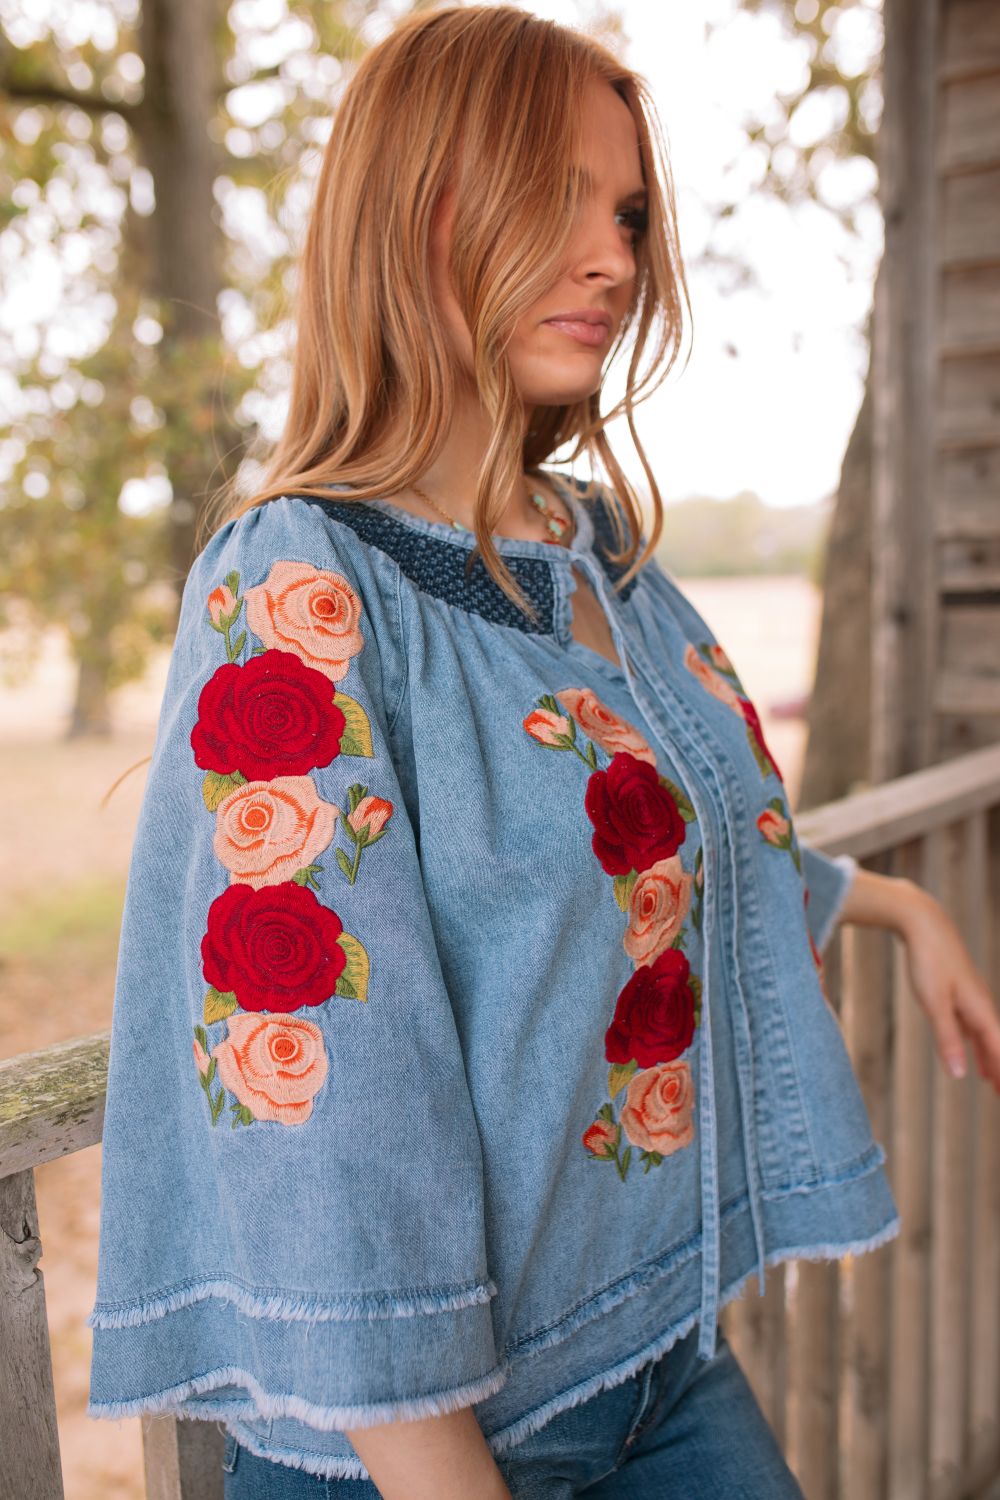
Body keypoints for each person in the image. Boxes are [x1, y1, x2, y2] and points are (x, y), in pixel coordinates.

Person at [85, 7, 1000, 1498]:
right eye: (553, 197)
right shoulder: (303, 587)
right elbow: (328, 1119)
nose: (617, 257)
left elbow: (654, 834)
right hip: (426, 1449)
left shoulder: (594, 557)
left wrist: (891, 903)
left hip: (663, 1366)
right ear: (412, 210)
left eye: (629, 211)